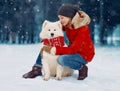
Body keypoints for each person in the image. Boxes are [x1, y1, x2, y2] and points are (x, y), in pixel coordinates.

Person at [23, 4, 95, 80]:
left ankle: (82, 68)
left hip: (84, 54)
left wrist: (53, 49)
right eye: (59, 18)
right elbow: (55, 29)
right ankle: (36, 69)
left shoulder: (83, 28)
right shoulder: (67, 24)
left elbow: (74, 49)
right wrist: (47, 37)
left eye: (62, 18)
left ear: (70, 17)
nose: (60, 21)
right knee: (45, 47)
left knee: (61, 59)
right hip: (73, 49)